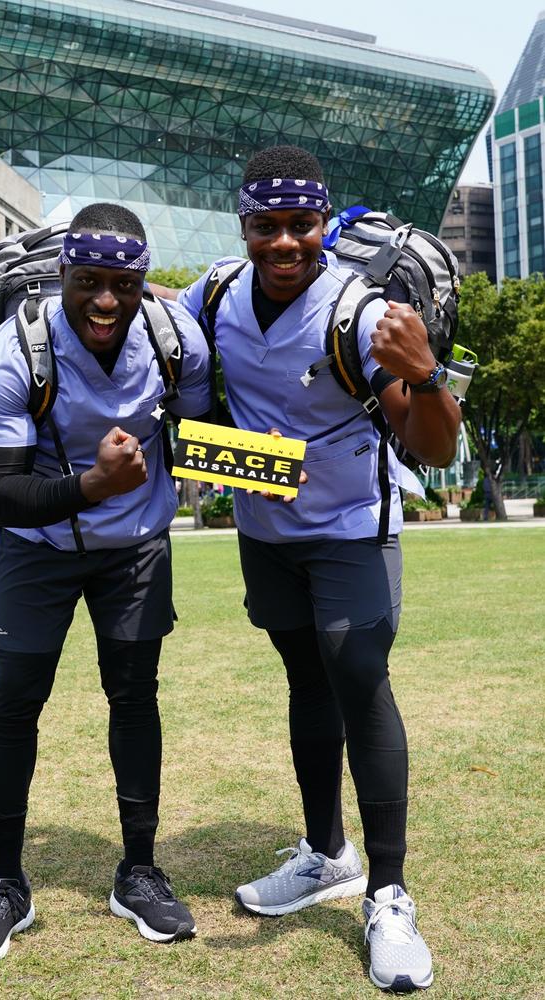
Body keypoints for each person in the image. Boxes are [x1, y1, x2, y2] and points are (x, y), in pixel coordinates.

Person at [156, 146, 461, 993]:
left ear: (325, 224)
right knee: (305, 678)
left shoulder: (358, 316)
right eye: (267, 226)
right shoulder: (215, 291)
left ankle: (391, 896)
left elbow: (433, 447)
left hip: (352, 529)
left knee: (358, 674)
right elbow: (167, 337)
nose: (286, 242)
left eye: (302, 225)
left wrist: (427, 372)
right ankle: (327, 852)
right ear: (243, 226)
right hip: (266, 527)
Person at [0, 203, 211, 965]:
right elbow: (2, 493)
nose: (106, 300)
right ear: (63, 273)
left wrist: (283, 464)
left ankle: (139, 871)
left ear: (143, 282)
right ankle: (5, 884)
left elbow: (197, 430)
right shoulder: (11, 354)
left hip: (135, 550)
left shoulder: (176, 340)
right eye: (89, 281)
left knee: (134, 698)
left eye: (123, 283)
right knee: (15, 703)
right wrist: (94, 484)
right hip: (36, 547)